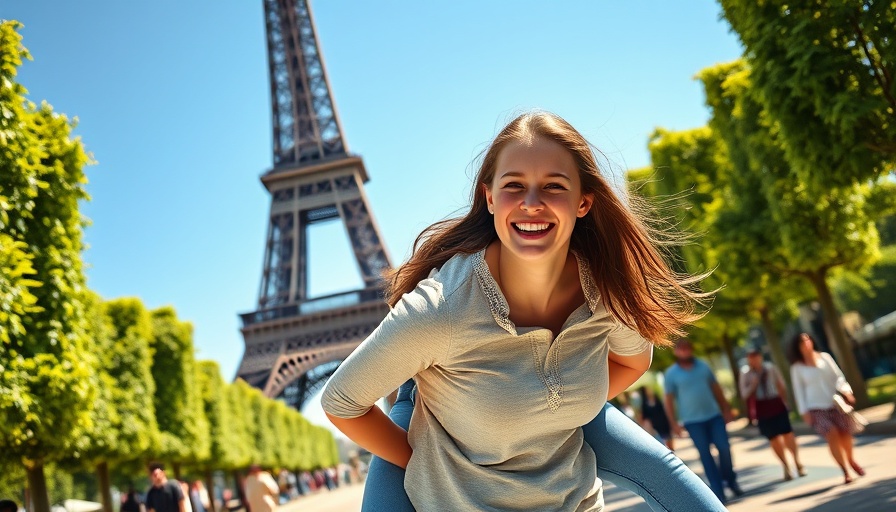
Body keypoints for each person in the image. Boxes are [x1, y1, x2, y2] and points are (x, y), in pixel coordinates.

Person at [322, 111, 725, 511]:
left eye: (554, 186)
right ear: (490, 198)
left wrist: (548, 410)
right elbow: (341, 403)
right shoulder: (440, 309)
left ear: (583, 202)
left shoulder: (608, 289)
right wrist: (425, 460)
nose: (532, 203)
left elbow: (632, 361)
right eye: (514, 185)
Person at [664, 338, 743, 504]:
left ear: (691, 349)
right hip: (693, 422)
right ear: (676, 351)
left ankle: (731, 480)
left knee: (724, 447)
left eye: (687, 347)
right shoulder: (671, 374)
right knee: (705, 454)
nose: (684, 351)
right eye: (681, 348)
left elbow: (716, 388)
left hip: (714, 416)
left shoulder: (703, 366)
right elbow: (669, 400)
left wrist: (726, 409)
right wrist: (673, 423)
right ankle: (718, 490)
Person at [788, 332, 865, 484]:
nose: (806, 344)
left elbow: (838, 377)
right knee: (832, 433)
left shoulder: (825, 357)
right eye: (802, 342)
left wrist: (846, 391)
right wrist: (804, 411)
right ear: (798, 347)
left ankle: (850, 459)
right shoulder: (797, 368)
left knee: (845, 434)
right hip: (816, 407)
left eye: (807, 340)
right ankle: (845, 470)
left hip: (834, 403)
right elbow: (799, 391)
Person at [739, 345, 805, 481]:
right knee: (773, 438)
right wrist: (753, 385)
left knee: (788, 433)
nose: (754, 359)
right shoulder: (745, 373)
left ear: (760, 357)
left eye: (756, 356)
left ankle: (797, 462)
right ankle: (785, 465)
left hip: (776, 402)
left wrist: (785, 401)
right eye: (751, 357)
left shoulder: (770, 368)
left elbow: (780, 384)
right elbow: (744, 394)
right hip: (761, 407)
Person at [638, 385, 674, 451]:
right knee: (663, 444)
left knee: (669, 440)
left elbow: (663, 410)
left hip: (664, 423)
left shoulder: (657, 398)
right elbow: (644, 416)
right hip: (655, 426)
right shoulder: (644, 403)